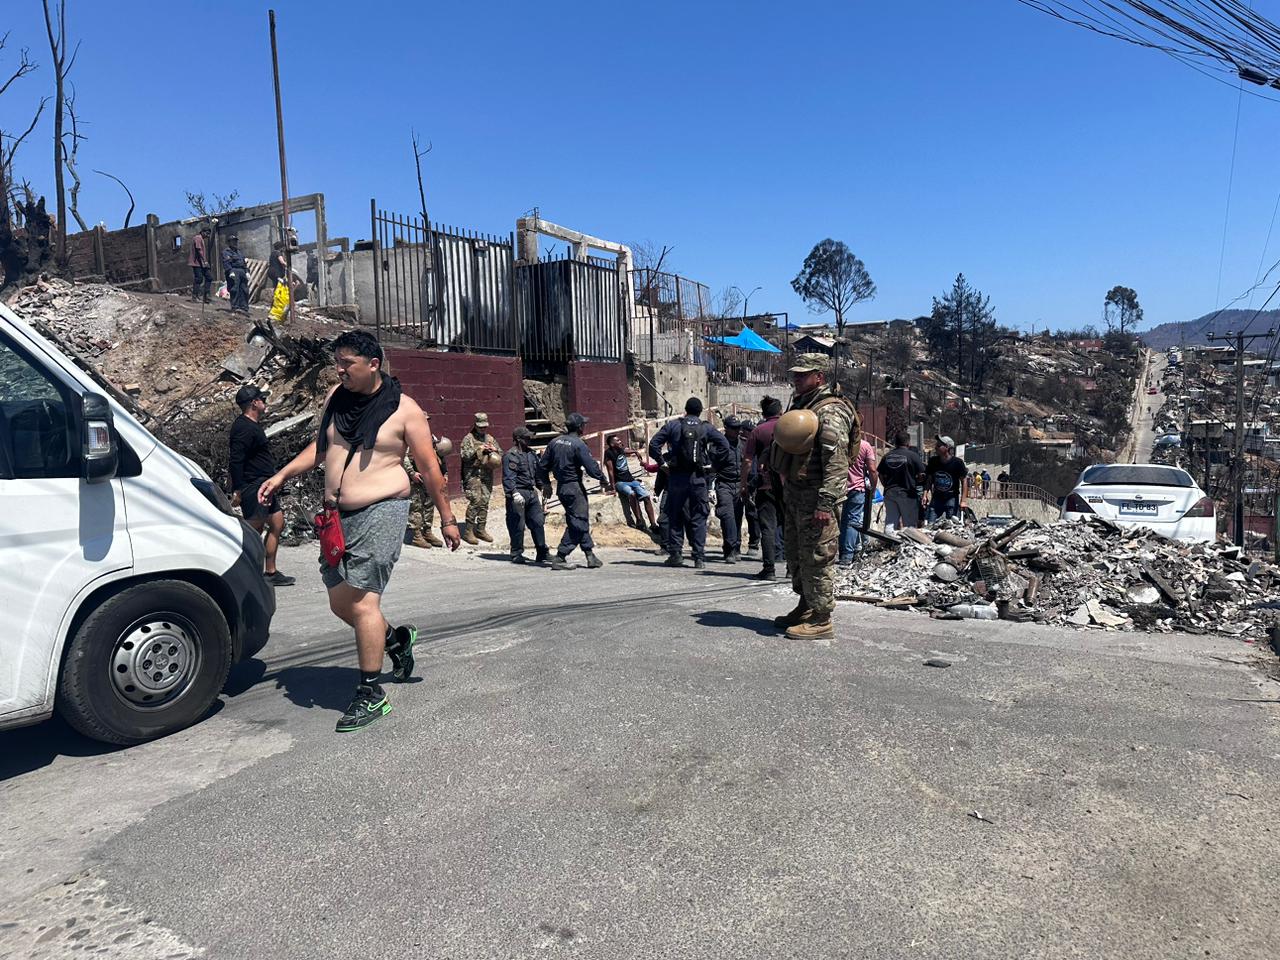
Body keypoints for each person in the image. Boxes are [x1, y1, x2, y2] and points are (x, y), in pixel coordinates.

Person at [258, 330, 460, 732]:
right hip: (336, 516)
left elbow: (429, 469)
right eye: (338, 362)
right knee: (340, 603)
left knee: (364, 601)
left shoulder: (406, 411)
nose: (340, 369)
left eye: (347, 363)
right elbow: (322, 449)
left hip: (383, 509)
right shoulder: (337, 398)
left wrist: (448, 517)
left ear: (373, 364)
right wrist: (282, 474)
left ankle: (371, 694)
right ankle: (396, 642)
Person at [772, 354, 857, 641]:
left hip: (816, 498)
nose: (796, 378)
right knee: (796, 553)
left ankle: (822, 619)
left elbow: (836, 462)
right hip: (797, 494)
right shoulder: (802, 404)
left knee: (817, 556)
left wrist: (825, 502)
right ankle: (806, 606)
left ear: (819, 376)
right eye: (795, 374)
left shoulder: (830, 411)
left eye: (803, 374)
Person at [647, 397, 731, 569]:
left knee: (675, 515)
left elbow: (654, 444)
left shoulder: (673, 425)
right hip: (698, 478)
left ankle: (676, 554)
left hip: (676, 478)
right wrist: (713, 465)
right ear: (700, 411)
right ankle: (699, 557)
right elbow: (724, 445)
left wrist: (662, 463)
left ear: (685, 409)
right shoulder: (705, 427)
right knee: (699, 516)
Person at [228, 384, 295, 587]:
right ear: (253, 403)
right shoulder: (243, 427)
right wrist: (238, 489)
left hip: (265, 484)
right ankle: (238, 573)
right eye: (261, 399)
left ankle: (270, 572)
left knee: (277, 523)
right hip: (253, 485)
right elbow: (235, 460)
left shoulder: (252, 425)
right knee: (252, 531)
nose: (264, 402)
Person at [538, 412, 606, 570]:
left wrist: (546, 484)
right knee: (579, 522)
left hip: (561, 488)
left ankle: (590, 555)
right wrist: (602, 478)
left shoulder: (554, 442)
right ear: (580, 427)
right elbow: (590, 466)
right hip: (574, 487)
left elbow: (542, 466)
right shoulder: (578, 444)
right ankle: (561, 556)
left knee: (576, 519)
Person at [742, 396, 784, 580]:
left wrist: (743, 484)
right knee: (789, 526)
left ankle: (769, 570)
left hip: (766, 485)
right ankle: (792, 569)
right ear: (780, 412)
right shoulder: (791, 428)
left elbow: (747, 460)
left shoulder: (758, 431)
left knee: (767, 528)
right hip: (789, 486)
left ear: (764, 413)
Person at [503, 426, 550, 564]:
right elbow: (508, 478)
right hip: (518, 492)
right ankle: (516, 553)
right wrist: (514, 493)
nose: (529, 440)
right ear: (518, 439)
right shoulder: (510, 456)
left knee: (538, 522)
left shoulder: (531, 454)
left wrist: (543, 486)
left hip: (531, 492)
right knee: (517, 524)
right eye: (526, 437)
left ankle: (542, 552)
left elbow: (536, 474)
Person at [603, 433, 661, 541]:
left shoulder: (620, 450)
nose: (620, 442)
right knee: (632, 494)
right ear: (612, 444)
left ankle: (653, 524)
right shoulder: (609, 454)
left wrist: (635, 451)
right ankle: (639, 521)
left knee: (646, 497)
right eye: (618, 441)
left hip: (631, 480)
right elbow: (610, 472)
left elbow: (626, 451)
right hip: (620, 482)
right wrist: (613, 488)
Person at [404, 419, 449, 549]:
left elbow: (440, 456)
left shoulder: (431, 437)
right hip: (416, 477)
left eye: (427, 420)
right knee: (416, 506)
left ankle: (427, 531)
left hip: (429, 478)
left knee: (429, 504)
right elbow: (404, 457)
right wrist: (412, 473)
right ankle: (416, 536)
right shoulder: (409, 437)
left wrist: (444, 473)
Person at [459, 412, 502, 545]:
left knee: (485, 501)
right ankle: (468, 531)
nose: (483, 429)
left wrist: (494, 450)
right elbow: (465, 456)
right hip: (472, 475)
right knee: (475, 501)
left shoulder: (489, 438)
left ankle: (481, 529)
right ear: (475, 425)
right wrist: (480, 450)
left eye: (484, 427)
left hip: (486, 475)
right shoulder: (468, 439)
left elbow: (500, 453)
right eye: (480, 427)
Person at [839, 433, 878, 564]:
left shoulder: (840, 443)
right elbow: (872, 470)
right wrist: (873, 487)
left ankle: (847, 552)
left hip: (840, 488)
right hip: (857, 488)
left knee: (843, 521)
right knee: (853, 521)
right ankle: (848, 555)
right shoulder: (865, 446)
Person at [712, 415, 746, 563]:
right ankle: (730, 548)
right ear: (726, 428)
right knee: (727, 516)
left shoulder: (743, 444)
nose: (737, 431)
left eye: (738, 428)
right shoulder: (719, 444)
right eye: (733, 428)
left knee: (738, 516)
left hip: (739, 484)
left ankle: (736, 546)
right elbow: (713, 461)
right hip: (724, 483)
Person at [877, 432, 925, 532]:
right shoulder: (913, 456)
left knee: (890, 522)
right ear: (908, 443)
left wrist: (886, 485)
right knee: (909, 525)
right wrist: (916, 481)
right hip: (907, 493)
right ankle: (908, 545)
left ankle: (888, 544)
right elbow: (922, 474)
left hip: (890, 493)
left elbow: (880, 474)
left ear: (895, 442)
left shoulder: (887, 456)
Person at [923, 435, 969, 522]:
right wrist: (925, 494)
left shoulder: (957, 463)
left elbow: (964, 481)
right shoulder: (933, 461)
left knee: (953, 523)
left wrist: (963, 500)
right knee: (930, 523)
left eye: (939, 445)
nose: (936, 447)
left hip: (951, 497)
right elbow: (929, 479)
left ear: (947, 447)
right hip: (937, 497)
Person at [221, 234, 250, 315]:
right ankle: (235, 307)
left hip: (242, 271)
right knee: (234, 289)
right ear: (229, 242)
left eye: (235, 241)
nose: (234, 243)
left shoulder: (239, 252)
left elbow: (243, 262)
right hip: (234, 271)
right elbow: (226, 262)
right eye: (232, 241)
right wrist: (230, 271)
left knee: (244, 290)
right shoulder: (226, 252)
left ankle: (244, 307)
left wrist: (247, 271)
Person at [188, 227, 213, 303]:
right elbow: (199, 251)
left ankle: (206, 296)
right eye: (207, 233)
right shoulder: (198, 238)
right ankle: (194, 297)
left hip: (202, 263)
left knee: (209, 277)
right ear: (202, 232)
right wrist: (204, 261)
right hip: (197, 263)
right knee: (199, 278)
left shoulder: (201, 239)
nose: (208, 236)